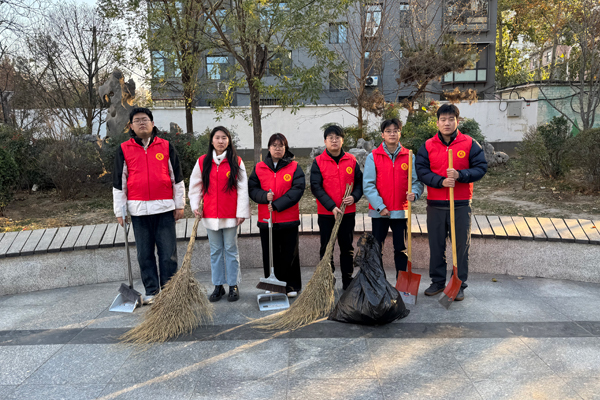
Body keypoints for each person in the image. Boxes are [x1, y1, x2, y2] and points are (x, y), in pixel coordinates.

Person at [113, 107, 185, 305]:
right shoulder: (124, 149)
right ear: (131, 126)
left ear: (153, 123)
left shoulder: (166, 146)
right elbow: (119, 182)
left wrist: (179, 205)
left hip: (164, 209)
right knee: (144, 254)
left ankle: (169, 291)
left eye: (145, 119)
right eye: (137, 120)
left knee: (168, 254)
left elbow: (177, 178)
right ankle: (152, 291)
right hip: (139, 210)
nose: (141, 123)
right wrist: (120, 211)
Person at [416, 104, 488, 301]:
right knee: (436, 246)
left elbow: (481, 167)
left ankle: (458, 283)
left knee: (460, 247)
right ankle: (437, 282)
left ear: (457, 121)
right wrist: (440, 181)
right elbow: (421, 170)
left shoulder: (470, 143)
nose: (446, 123)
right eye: (443, 119)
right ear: (437, 122)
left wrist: (460, 175)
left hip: (461, 204)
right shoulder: (428, 145)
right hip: (436, 204)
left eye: (450, 119)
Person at [188, 126, 250, 302]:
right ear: (212, 140)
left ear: (229, 141)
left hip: (230, 214)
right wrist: (195, 206)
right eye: (217, 137)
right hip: (210, 214)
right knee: (215, 251)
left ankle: (233, 285)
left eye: (224, 138)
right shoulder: (203, 161)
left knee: (231, 249)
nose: (221, 141)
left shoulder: (236, 161)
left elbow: (242, 188)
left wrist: (241, 212)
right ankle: (218, 285)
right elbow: (195, 186)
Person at [363, 118, 424, 280]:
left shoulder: (409, 156)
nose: (392, 134)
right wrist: (380, 206)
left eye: (395, 131)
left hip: (401, 210)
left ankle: (401, 282)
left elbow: (416, 181)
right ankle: (378, 282)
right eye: (388, 131)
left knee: (401, 249)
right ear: (382, 135)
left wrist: (415, 193)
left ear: (400, 133)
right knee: (377, 249)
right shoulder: (373, 156)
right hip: (379, 212)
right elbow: (368, 185)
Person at [248, 133, 305, 297]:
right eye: (274, 145)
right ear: (269, 148)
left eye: (281, 146)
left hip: (289, 218)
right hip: (267, 219)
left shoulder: (294, 167)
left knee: (290, 253)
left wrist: (277, 205)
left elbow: (297, 190)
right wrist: (264, 197)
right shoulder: (259, 167)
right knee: (270, 253)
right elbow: (252, 188)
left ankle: (291, 286)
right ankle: (272, 284)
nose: (277, 148)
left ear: (285, 148)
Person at [310, 125, 363, 290]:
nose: (334, 140)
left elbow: (359, 183)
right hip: (327, 213)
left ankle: (347, 280)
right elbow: (316, 187)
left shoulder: (351, 160)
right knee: (327, 248)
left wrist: (354, 197)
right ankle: (327, 280)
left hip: (347, 212)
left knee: (347, 247)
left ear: (342, 140)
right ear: (325, 141)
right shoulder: (318, 162)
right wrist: (331, 206)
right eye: (330, 138)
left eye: (337, 137)